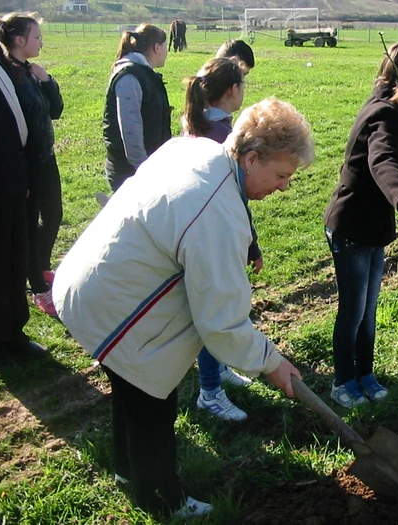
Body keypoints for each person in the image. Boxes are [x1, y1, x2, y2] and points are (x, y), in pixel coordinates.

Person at [52, 97, 314, 518]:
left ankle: (126, 471)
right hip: (116, 306)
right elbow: (222, 324)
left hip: (91, 283)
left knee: (127, 388)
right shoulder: (219, 212)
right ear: (250, 159)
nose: (284, 186)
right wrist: (271, 362)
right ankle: (162, 501)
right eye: (282, 174)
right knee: (151, 402)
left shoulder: (195, 148)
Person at [323, 41, 398, 409]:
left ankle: (365, 374)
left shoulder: (393, 107)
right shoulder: (385, 114)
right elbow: (381, 161)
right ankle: (342, 382)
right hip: (351, 226)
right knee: (353, 311)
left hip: (370, 226)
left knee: (367, 310)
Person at [182, 57, 258, 421]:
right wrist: (251, 243)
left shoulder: (199, 124)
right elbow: (236, 197)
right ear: (233, 90)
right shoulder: (222, 138)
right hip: (211, 238)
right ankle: (209, 391)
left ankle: (218, 369)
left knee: (210, 311)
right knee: (214, 312)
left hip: (201, 234)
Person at [0, 13, 64, 317]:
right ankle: (37, 284)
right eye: (36, 37)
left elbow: (56, 111)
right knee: (29, 222)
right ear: (19, 40)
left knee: (54, 214)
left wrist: (48, 81)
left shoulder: (31, 72)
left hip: (46, 157)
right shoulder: (9, 75)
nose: (41, 42)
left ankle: (40, 267)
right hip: (28, 163)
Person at [0, 20, 47, 361]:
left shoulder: (1, 63)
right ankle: (2, 338)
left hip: (12, 178)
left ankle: (12, 330)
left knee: (13, 253)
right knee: (1, 259)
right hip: (0, 181)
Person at [101, 23, 171, 195]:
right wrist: (143, 169)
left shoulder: (145, 74)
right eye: (165, 47)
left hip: (145, 168)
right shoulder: (130, 77)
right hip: (131, 172)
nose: (166, 52)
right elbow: (130, 128)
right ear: (157, 47)